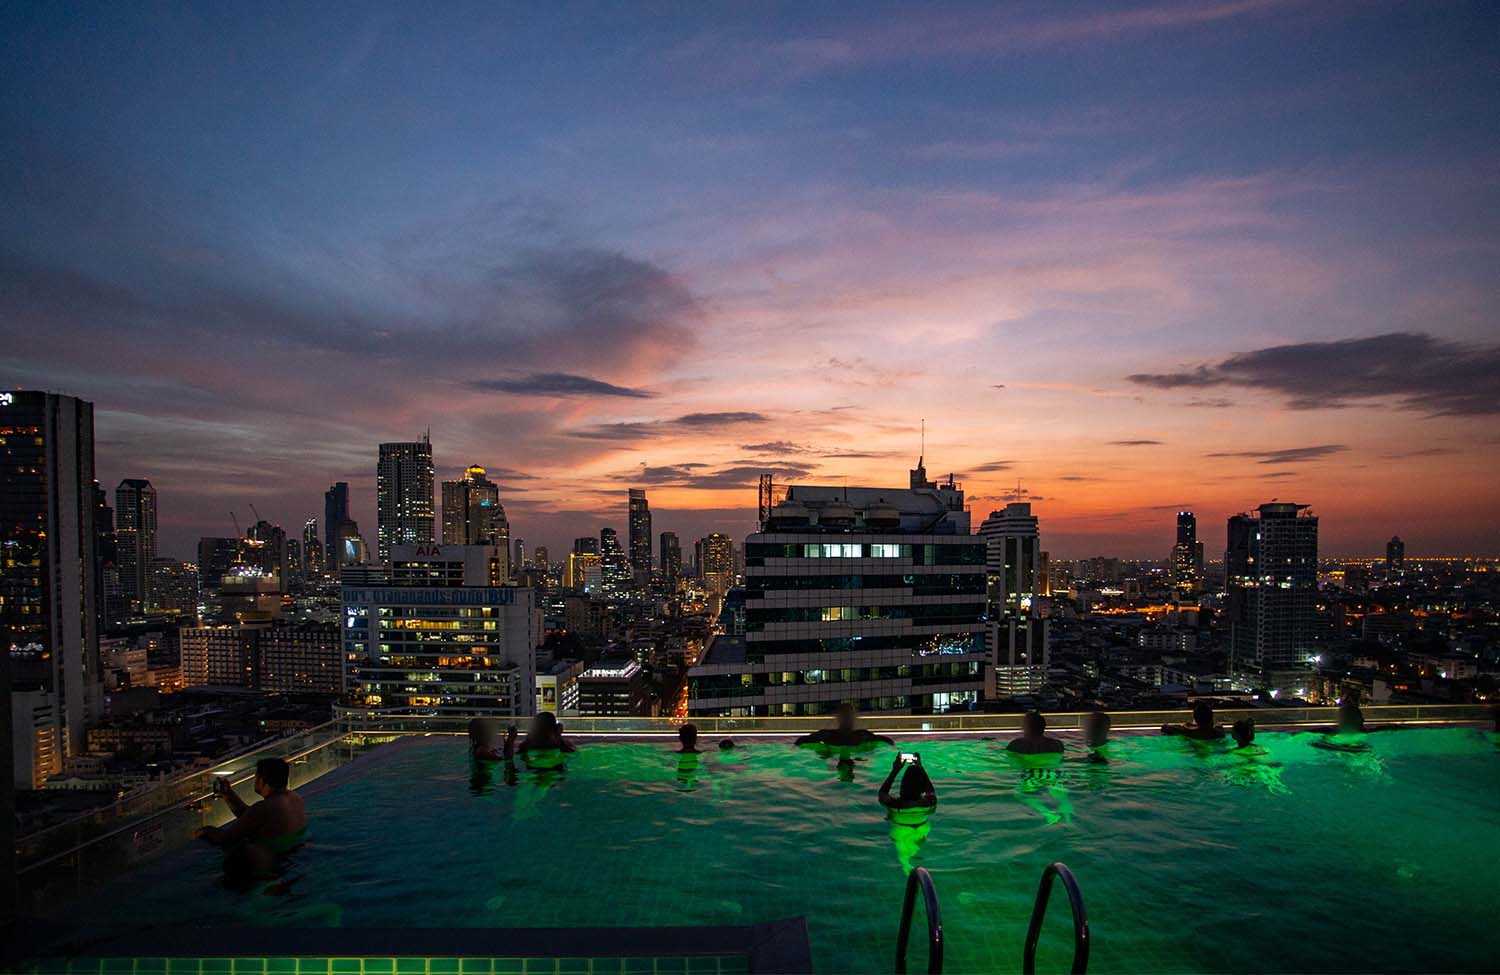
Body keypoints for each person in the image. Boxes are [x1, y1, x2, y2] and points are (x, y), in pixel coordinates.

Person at [195, 758, 308, 881]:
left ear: (262, 780)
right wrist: (228, 794)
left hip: (269, 865)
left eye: (256, 777)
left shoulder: (263, 808)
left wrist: (205, 831)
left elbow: (226, 839)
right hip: (293, 856)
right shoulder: (294, 798)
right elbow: (252, 818)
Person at [879, 755, 937, 874]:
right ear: (921, 787)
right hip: (922, 827)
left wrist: (895, 770)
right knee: (916, 852)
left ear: (903, 785)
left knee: (904, 860)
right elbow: (931, 791)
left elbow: (882, 793)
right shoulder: (929, 802)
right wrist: (920, 767)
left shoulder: (896, 804)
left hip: (902, 829)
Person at [793, 703, 895, 747]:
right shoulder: (861, 736)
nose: (848, 719)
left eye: (848, 716)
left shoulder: (827, 735)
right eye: (846, 716)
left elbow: (801, 741)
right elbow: (886, 740)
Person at [504, 712, 577, 766]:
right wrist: (558, 737)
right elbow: (572, 753)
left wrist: (510, 741)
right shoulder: (560, 744)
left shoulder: (531, 743)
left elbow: (509, 759)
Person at [1161, 702, 1225, 741]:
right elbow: (1218, 725)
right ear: (1211, 718)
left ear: (1195, 718)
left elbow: (1164, 727)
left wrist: (1185, 726)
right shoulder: (1219, 733)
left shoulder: (1188, 732)